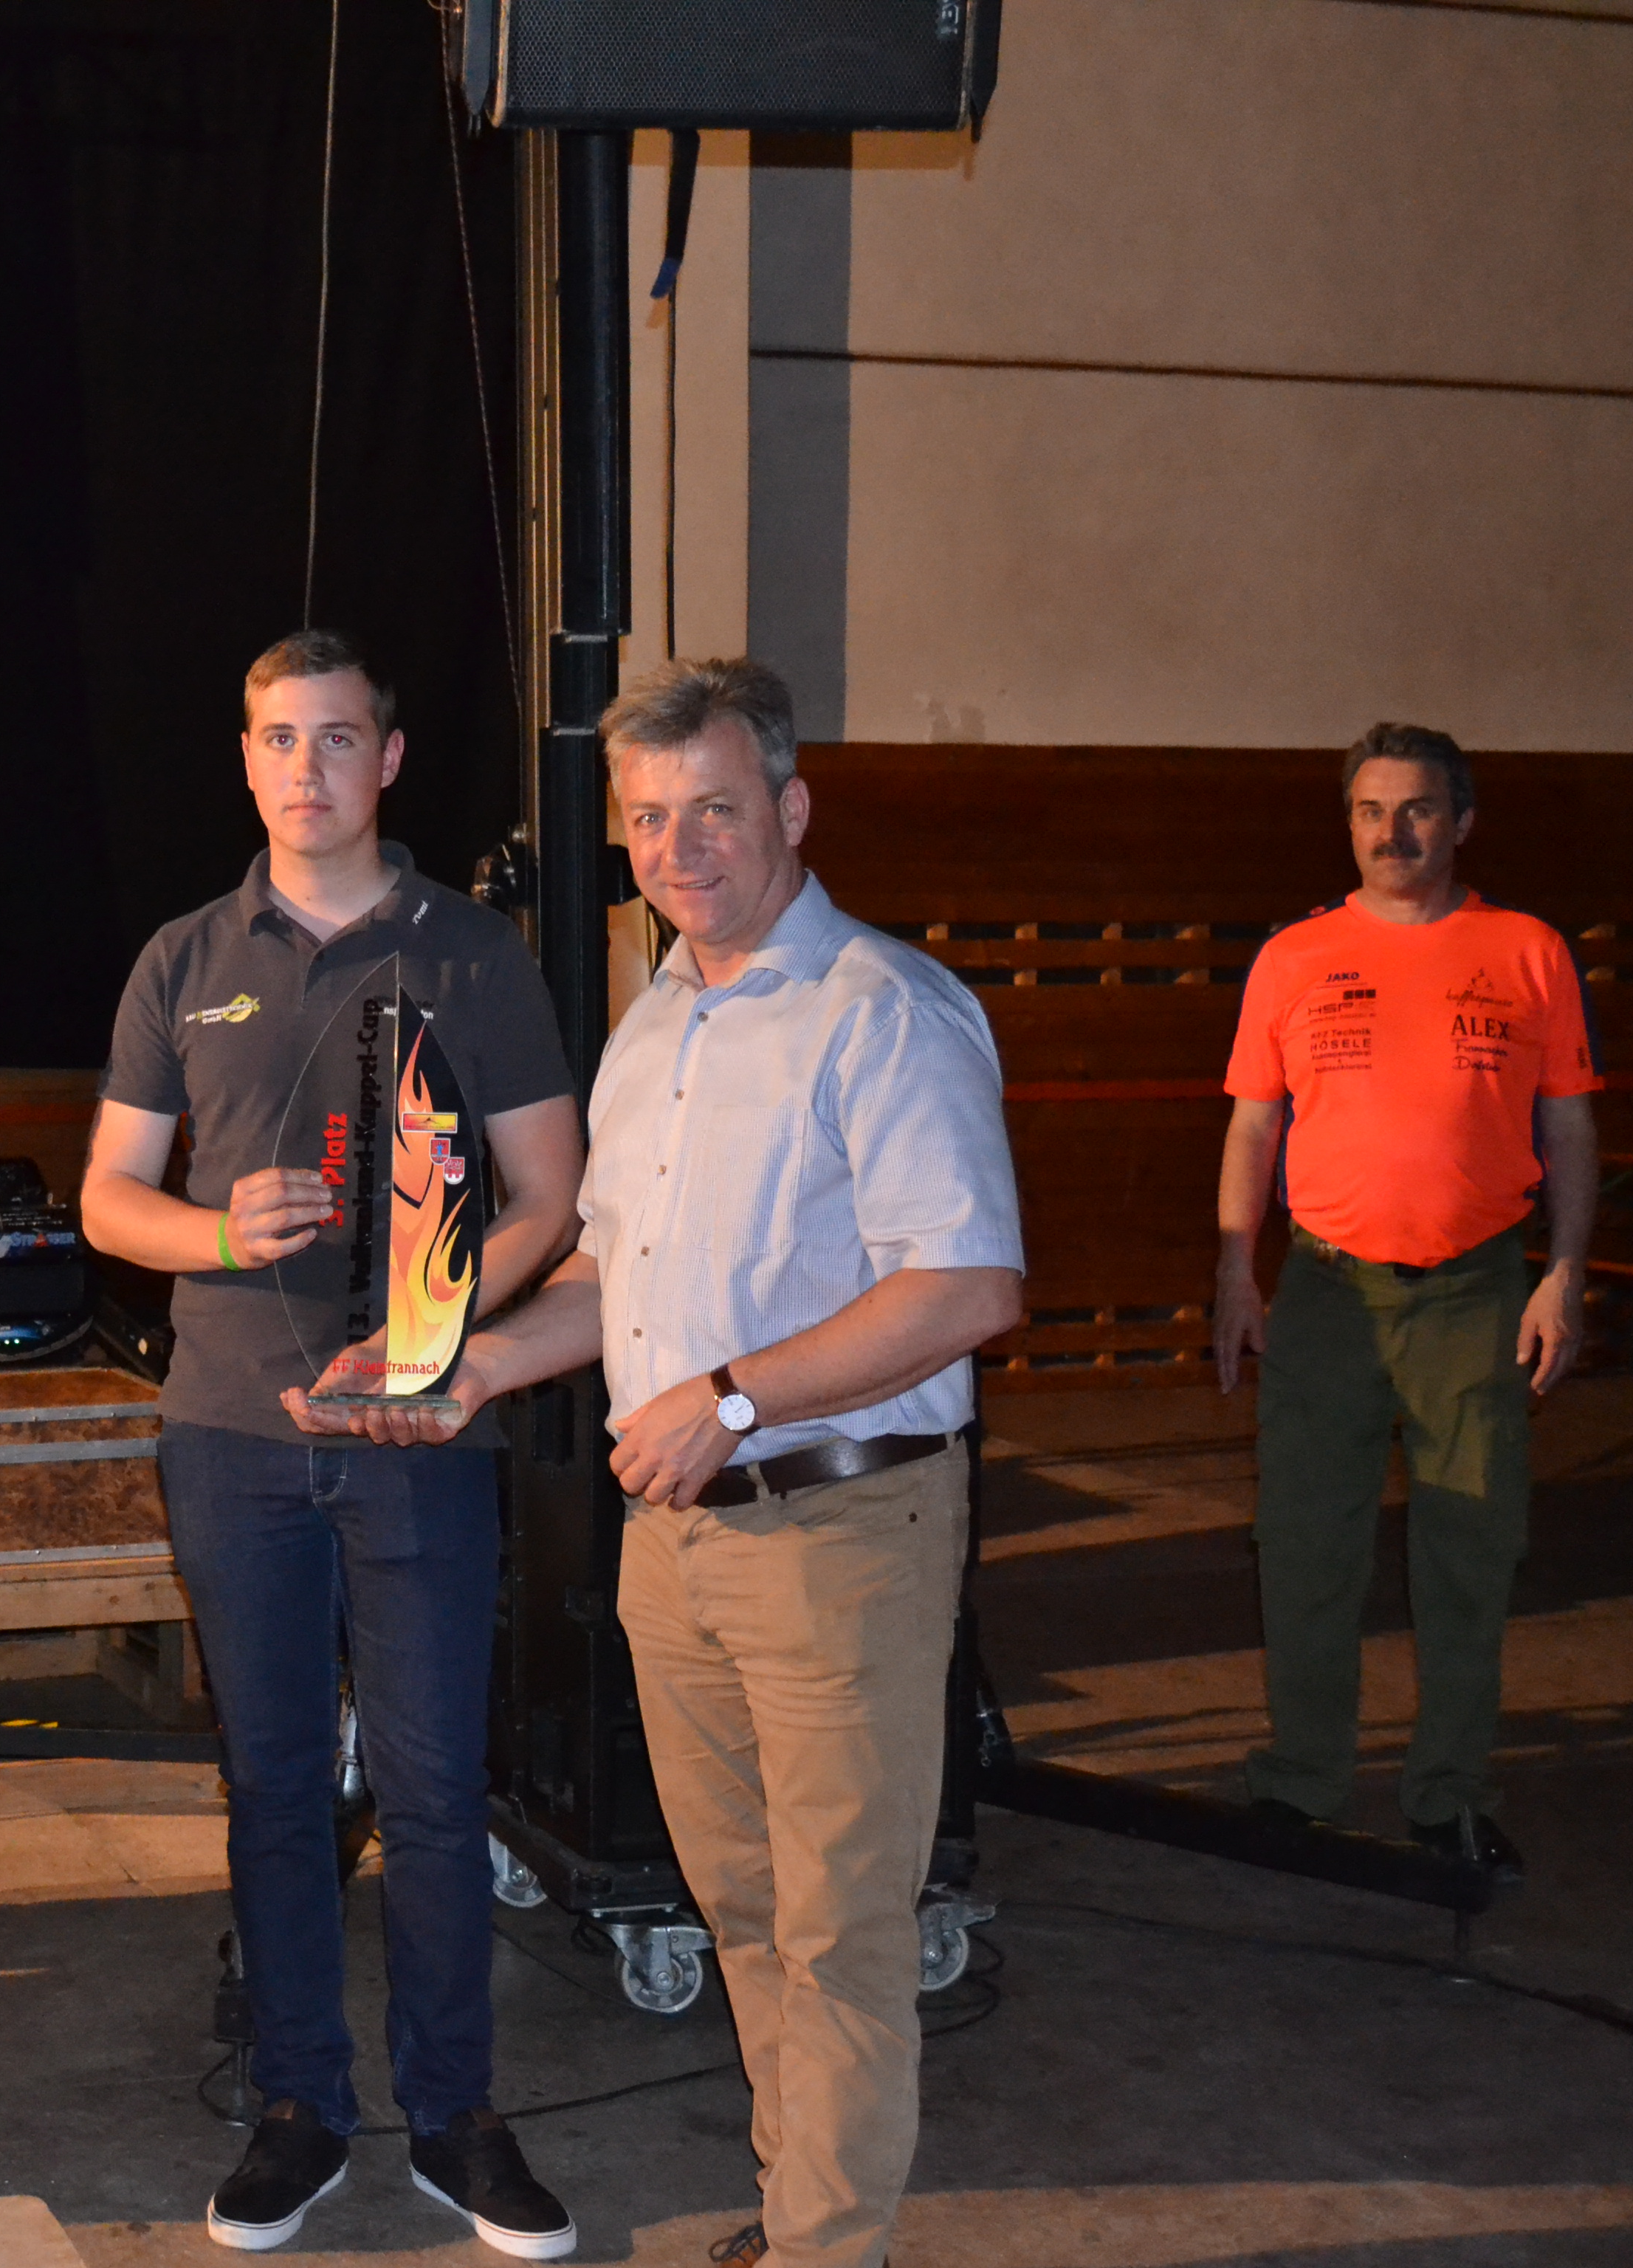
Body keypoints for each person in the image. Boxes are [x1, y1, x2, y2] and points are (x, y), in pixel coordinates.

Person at [308, 659, 1022, 2268]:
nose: (676, 847)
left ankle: (831, 2247)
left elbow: (968, 1285)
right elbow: (613, 1275)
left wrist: (735, 1400)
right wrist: (470, 1367)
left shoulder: (882, 1011)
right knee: (746, 1911)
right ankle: (802, 2212)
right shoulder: (657, 1026)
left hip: (841, 1526)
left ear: (790, 807)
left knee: (837, 1930)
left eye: (711, 809)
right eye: (645, 818)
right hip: (680, 1537)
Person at [80, 630, 587, 2258]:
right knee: (276, 1786)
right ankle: (301, 2105)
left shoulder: (474, 953)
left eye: (339, 737)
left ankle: (454, 2115)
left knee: (435, 1790)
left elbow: (554, 1195)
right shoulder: (181, 958)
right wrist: (220, 1234)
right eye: (280, 739)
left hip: (419, 1433)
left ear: (392, 758)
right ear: (247, 761)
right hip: (230, 1435)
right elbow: (108, 1201)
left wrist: (433, 1334)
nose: (309, 768)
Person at [1213, 724, 1599, 1879]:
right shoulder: (1294, 957)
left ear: (1462, 821)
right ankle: (1300, 1780)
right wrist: (1236, 1272)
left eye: (1419, 809)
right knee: (1305, 1541)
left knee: (1470, 1547)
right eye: (1371, 811)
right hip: (1326, 1293)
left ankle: (1450, 1796)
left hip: (1476, 1292)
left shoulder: (1527, 952)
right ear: (1348, 824)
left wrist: (1564, 1273)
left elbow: (1571, 1125)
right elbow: (1253, 1124)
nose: (1394, 832)